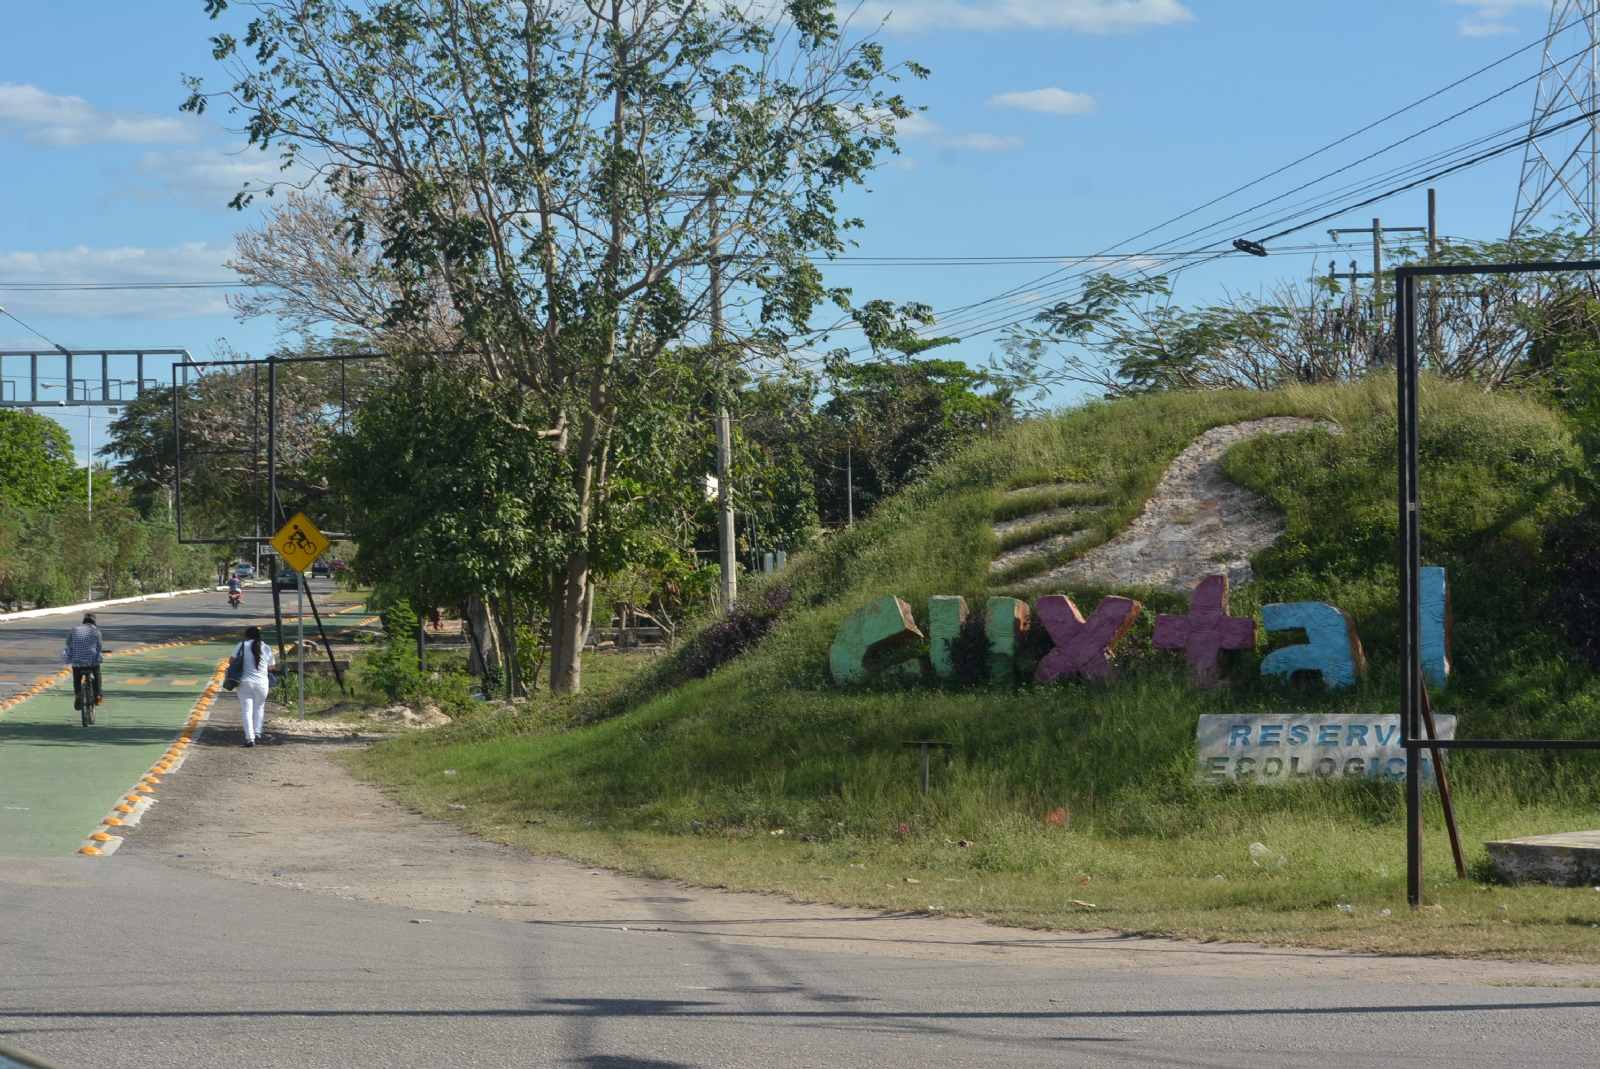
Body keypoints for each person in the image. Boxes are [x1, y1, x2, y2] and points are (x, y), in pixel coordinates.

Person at [232, 625, 277, 747]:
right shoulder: (266, 648)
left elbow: (231, 661)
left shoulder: (241, 646)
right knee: (259, 708)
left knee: (247, 710)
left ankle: (249, 738)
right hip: (262, 684)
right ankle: (257, 734)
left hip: (244, 682)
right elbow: (272, 667)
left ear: (247, 636)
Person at [62, 612, 105, 711]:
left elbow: (68, 642)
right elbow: (99, 646)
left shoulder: (74, 629)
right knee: (97, 672)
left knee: (77, 677)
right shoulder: (96, 631)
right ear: (95, 622)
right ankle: (98, 696)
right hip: (92, 663)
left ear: (83, 621)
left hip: (77, 662)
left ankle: (78, 693)